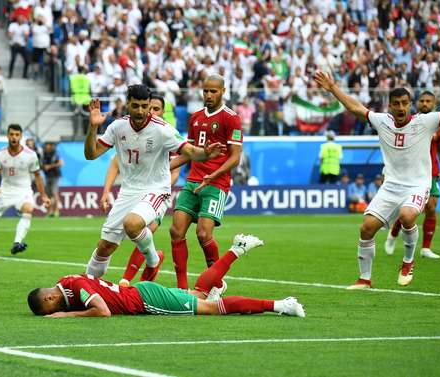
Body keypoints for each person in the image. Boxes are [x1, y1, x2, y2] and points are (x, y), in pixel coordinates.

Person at [313, 70, 440, 289]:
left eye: (404, 103)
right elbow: (354, 107)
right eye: (396, 103)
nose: (400, 107)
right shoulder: (382, 121)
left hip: (418, 184)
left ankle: (408, 262)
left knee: (407, 216)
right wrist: (332, 88)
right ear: (390, 106)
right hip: (391, 185)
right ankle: (364, 279)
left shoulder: (425, 122)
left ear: (410, 104)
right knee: (366, 228)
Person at [83, 84, 225, 283]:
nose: (140, 111)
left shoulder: (162, 129)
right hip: (128, 192)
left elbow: (190, 152)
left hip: (156, 190)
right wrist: (93, 127)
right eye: (135, 106)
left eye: (144, 106)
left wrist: (206, 153)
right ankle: (87, 283)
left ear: (149, 105)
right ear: (127, 104)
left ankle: (152, 259)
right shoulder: (117, 127)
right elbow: (91, 154)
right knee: (105, 245)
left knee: (132, 224)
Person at [27, 234, 305, 318]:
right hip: (140, 291)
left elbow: (102, 311)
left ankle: (281, 305)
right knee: (198, 294)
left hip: (145, 301)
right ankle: (237, 249)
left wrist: (66, 315)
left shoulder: (73, 288)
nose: (52, 311)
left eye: (49, 308)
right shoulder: (65, 282)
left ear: (51, 297)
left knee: (209, 308)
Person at [166, 75, 243, 290]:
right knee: (176, 231)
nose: (208, 95)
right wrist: (164, 169)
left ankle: (215, 284)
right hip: (192, 182)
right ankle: (182, 288)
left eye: (213, 91)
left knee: (203, 233)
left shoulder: (231, 118)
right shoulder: (195, 117)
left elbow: (235, 156)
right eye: (206, 91)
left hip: (216, 185)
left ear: (223, 91)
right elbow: (189, 153)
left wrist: (214, 175)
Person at [107, 93, 181, 287]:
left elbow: (178, 166)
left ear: (162, 111)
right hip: (133, 190)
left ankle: (128, 279)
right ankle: (150, 265)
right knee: (136, 231)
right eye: (151, 108)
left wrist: (162, 181)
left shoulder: (166, 133)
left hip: (155, 193)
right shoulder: (129, 132)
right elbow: (115, 164)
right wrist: (106, 191)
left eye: (156, 109)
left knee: (144, 228)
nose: (151, 112)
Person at [385, 91, 440, 259]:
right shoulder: (409, 122)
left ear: (434, 104)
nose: (425, 104)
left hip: (431, 173)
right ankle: (393, 234)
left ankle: (426, 248)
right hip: (411, 174)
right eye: (422, 101)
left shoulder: (439, 127)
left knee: (431, 208)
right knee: (410, 212)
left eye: (429, 101)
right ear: (416, 103)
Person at [0, 124, 51, 259]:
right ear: (7, 136)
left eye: (17, 135)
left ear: (21, 137)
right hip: (5, 192)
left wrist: (44, 196)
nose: (14, 137)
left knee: (28, 209)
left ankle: (17, 243)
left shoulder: (31, 155)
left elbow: (38, 176)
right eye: (11, 134)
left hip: (23, 191)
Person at [41, 142, 63, 217]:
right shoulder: (44, 154)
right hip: (47, 176)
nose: (46, 147)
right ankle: (50, 211)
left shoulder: (56, 153)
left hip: (55, 176)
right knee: (48, 194)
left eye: (48, 145)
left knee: (54, 193)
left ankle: (56, 210)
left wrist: (50, 166)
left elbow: (61, 163)